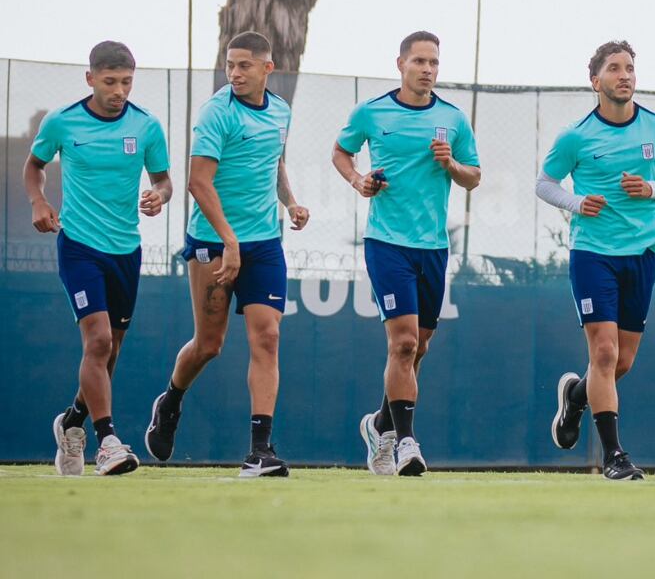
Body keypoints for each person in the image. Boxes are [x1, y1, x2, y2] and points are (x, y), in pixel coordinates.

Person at [145, 31, 310, 478]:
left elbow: (272, 162)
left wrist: (290, 201)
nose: (234, 73)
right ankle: (171, 401)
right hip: (212, 242)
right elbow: (198, 183)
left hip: (264, 243)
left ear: (266, 68)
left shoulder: (280, 111)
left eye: (244, 66)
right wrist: (230, 243)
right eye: (230, 65)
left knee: (268, 338)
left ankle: (260, 451)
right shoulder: (216, 112)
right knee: (210, 345)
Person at [539, 40, 655, 481]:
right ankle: (615, 457)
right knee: (603, 352)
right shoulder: (576, 136)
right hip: (592, 256)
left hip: (640, 255)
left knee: (621, 362)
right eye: (614, 68)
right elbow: (545, 184)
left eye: (629, 68)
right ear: (595, 81)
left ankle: (576, 397)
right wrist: (577, 202)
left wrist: (652, 189)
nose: (625, 75)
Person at [333, 31, 481, 476]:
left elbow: (473, 176)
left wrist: (451, 164)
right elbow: (341, 152)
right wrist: (359, 180)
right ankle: (405, 443)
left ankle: (379, 424)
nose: (428, 69)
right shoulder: (372, 111)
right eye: (419, 61)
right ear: (400, 64)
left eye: (434, 62)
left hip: (433, 247)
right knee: (403, 342)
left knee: (419, 348)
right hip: (386, 243)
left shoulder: (453, 119)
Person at [25, 41, 171, 476]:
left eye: (126, 82)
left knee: (111, 351)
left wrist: (158, 197)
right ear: (90, 78)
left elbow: (163, 179)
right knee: (99, 341)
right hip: (79, 246)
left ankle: (71, 422)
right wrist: (38, 202)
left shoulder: (146, 126)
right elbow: (35, 166)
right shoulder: (62, 122)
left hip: (126, 250)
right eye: (110, 82)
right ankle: (107, 441)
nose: (119, 91)